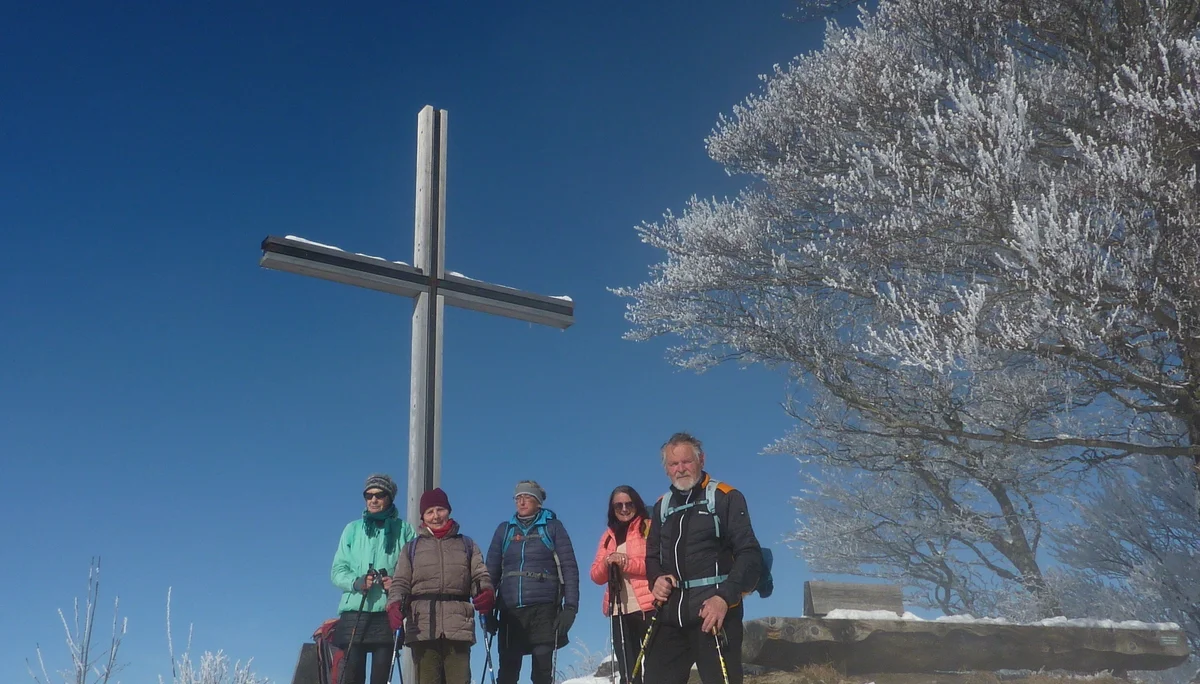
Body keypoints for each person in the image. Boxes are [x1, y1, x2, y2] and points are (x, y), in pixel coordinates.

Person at [645, 433, 762, 684]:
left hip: (714, 615)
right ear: (666, 469)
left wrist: (724, 597)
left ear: (701, 460)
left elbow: (750, 554)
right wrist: (654, 578)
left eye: (686, 462)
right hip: (671, 616)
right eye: (673, 464)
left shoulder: (725, 497)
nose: (680, 469)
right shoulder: (661, 507)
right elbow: (652, 555)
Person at [387, 488, 495, 684]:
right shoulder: (411, 548)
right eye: (429, 512)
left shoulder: (466, 545)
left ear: (449, 511)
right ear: (423, 517)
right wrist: (394, 604)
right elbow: (400, 583)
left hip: (458, 626)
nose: (436, 516)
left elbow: (480, 574)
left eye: (440, 509)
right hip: (422, 628)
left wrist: (486, 591)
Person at [484, 480, 580, 684]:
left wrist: (570, 608)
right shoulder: (505, 530)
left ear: (538, 501)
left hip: (543, 609)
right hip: (510, 610)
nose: (521, 502)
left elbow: (569, 568)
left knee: (542, 672)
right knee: (508, 673)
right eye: (518, 498)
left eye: (527, 497)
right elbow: (490, 573)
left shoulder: (552, 527)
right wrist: (487, 611)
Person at [330, 473, 418, 684]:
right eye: (368, 495)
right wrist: (356, 582)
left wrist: (396, 583)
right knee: (351, 677)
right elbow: (337, 570)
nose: (373, 500)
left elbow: (415, 569)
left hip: (386, 612)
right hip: (354, 611)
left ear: (390, 497)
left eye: (379, 495)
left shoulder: (404, 530)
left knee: (381, 678)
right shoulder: (352, 529)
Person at [589, 486, 656, 684]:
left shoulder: (648, 527)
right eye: (619, 505)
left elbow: (657, 564)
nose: (624, 509)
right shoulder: (607, 536)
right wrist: (608, 561)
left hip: (650, 606)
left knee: (656, 667)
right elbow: (595, 576)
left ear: (637, 504)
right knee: (628, 673)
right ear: (612, 509)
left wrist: (625, 562)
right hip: (619, 610)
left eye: (629, 504)